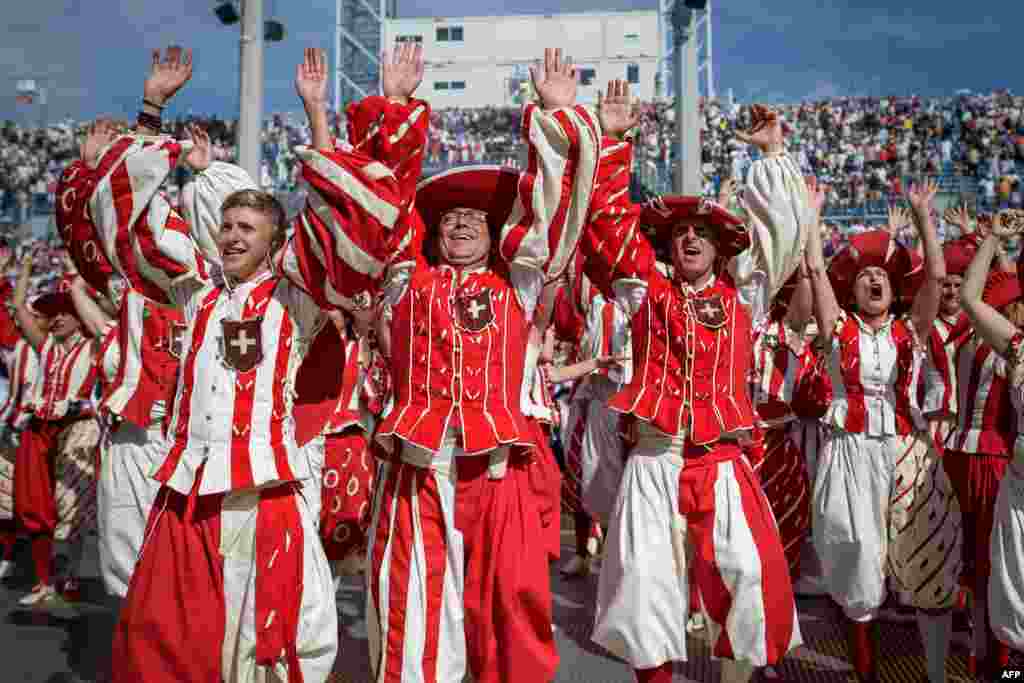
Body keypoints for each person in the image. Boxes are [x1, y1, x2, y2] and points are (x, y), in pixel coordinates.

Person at [298, 44, 602, 682]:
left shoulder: (515, 288)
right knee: (413, 602)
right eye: (450, 219)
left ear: (495, 238)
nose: (462, 224)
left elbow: (551, 216)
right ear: (433, 237)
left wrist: (554, 117)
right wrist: (399, 107)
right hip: (420, 460)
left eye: (475, 219)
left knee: (507, 607)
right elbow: (375, 207)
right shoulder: (409, 282)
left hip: (497, 467)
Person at [71, 46, 340, 681]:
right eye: (229, 225)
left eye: (250, 227)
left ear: (274, 241)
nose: (236, 236)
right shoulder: (193, 291)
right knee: (168, 639)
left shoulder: (296, 301)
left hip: (268, 493)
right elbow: (126, 218)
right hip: (190, 492)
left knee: (276, 643)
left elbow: (332, 222)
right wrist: (152, 109)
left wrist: (317, 114)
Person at [579, 100, 811, 683]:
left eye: (699, 232)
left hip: (722, 459)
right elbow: (606, 227)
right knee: (642, 589)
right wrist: (612, 143)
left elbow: (783, 232)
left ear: (718, 247)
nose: (688, 238)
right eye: (679, 232)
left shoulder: (744, 299)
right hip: (654, 458)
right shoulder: (644, 294)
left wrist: (771, 153)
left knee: (746, 581)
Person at [804, 180, 962, 683]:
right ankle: (865, 674)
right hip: (849, 451)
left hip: (905, 450)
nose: (874, 281)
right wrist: (812, 215)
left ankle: (937, 673)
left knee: (927, 558)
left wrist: (922, 217)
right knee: (857, 563)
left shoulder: (909, 329)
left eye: (882, 276)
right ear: (852, 289)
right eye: (865, 276)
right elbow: (812, 269)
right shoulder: (839, 328)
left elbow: (937, 276)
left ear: (894, 289)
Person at [69, 279, 183, 603]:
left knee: (164, 543)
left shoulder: (177, 314)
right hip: (121, 440)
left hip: (163, 437)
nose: (118, 289)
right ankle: (136, 627)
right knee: (123, 546)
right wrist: (79, 280)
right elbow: (91, 312)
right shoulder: (112, 334)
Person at [11, 247, 100, 610]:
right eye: (54, 313)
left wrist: (81, 277)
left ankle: (70, 575)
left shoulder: (95, 346)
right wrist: (27, 269)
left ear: (81, 316)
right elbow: (18, 309)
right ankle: (45, 581)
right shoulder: (46, 346)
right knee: (34, 504)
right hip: (40, 429)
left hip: (76, 428)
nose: (59, 318)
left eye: (67, 311)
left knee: (70, 507)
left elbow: (110, 313)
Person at [958, 215, 1024, 667]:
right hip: (1020, 488)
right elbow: (968, 298)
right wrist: (994, 240)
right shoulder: (1018, 344)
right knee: (1015, 596)